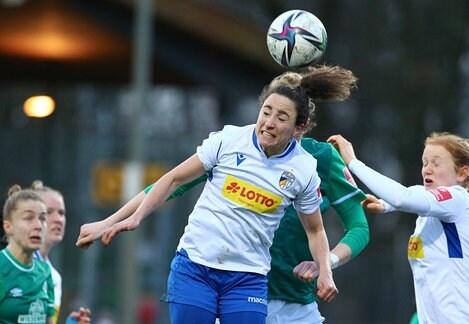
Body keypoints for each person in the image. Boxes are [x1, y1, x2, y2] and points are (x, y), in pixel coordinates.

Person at [77, 66, 369, 324]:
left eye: (282, 116)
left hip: (280, 293)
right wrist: (112, 221)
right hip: (211, 274)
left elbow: (343, 228)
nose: (269, 121)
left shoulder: (315, 162)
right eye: (266, 111)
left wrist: (326, 265)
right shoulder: (231, 141)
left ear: (300, 124)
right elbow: (171, 182)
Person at [328, 132, 469, 323]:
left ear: (461, 173)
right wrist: (385, 205)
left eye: (436, 163)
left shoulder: (457, 199)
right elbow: (411, 194)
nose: (427, 170)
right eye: (425, 163)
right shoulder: (430, 210)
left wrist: (353, 163)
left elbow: (403, 197)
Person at [31, 181, 92, 324]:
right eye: (49, 212)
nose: (58, 219)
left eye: (61, 213)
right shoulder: (10, 265)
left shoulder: (55, 278)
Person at [0, 184, 55, 323]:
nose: (38, 226)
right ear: (8, 227)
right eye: (28, 218)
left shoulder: (45, 272)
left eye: (42, 218)